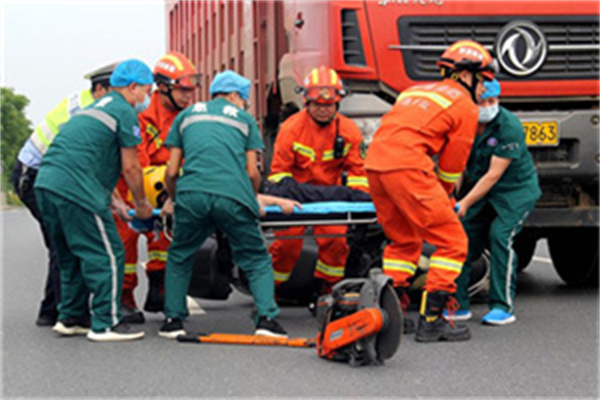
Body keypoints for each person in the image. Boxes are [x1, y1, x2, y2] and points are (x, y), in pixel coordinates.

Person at [364, 40, 497, 342]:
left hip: (375, 166)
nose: (483, 91)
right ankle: (434, 317)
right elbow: (452, 164)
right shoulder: (464, 105)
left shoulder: (414, 91)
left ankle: (393, 311)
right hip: (408, 168)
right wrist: (445, 194)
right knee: (452, 241)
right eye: (483, 82)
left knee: (403, 240)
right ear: (466, 75)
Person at [158, 70, 287, 339]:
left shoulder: (186, 116)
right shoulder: (244, 120)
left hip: (192, 195)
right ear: (232, 96)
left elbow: (171, 172)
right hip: (233, 196)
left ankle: (172, 320)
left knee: (180, 255)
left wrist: (174, 198)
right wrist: (250, 198)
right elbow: (253, 172)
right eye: (244, 99)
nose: (245, 105)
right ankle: (266, 320)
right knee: (256, 259)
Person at [34, 59, 154, 342]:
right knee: (108, 253)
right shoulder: (124, 111)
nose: (146, 98)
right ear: (133, 87)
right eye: (146, 91)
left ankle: (71, 317)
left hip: (47, 185)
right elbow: (131, 167)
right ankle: (107, 322)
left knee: (72, 255)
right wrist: (141, 204)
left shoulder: (93, 109)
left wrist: (116, 203)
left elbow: (90, 161)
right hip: (76, 189)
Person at [11, 61, 117, 327]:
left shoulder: (90, 104)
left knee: (63, 243)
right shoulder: (87, 110)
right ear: (102, 89)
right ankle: (64, 312)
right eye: (118, 91)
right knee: (65, 242)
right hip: (37, 176)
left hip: (43, 175)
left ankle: (53, 311)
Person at [114, 51, 201, 324]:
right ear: (163, 87)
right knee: (125, 245)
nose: (189, 96)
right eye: (183, 90)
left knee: (165, 240)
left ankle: (160, 287)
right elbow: (136, 166)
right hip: (131, 191)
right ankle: (125, 298)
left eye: (191, 90)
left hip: (166, 189)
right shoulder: (141, 116)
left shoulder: (187, 118)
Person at [267, 66, 368, 292]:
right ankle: (270, 290)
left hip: (330, 200)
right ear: (306, 102)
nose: (323, 110)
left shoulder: (349, 131)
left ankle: (328, 290)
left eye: (328, 105)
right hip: (294, 199)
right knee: (286, 245)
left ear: (337, 104)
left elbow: (358, 174)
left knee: (336, 242)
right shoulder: (291, 129)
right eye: (318, 105)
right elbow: (278, 175)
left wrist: (359, 205)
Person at [450, 79, 541, 325]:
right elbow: (456, 165)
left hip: (514, 191)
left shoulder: (508, 126)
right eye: (483, 101)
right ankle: (457, 305)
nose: (489, 106)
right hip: (482, 189)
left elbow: (493, 175)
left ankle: (502, 306)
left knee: (500, 235)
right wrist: (450, 195)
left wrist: (465, 202)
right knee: (462, 239)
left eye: (493, 101)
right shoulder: (462, 123)